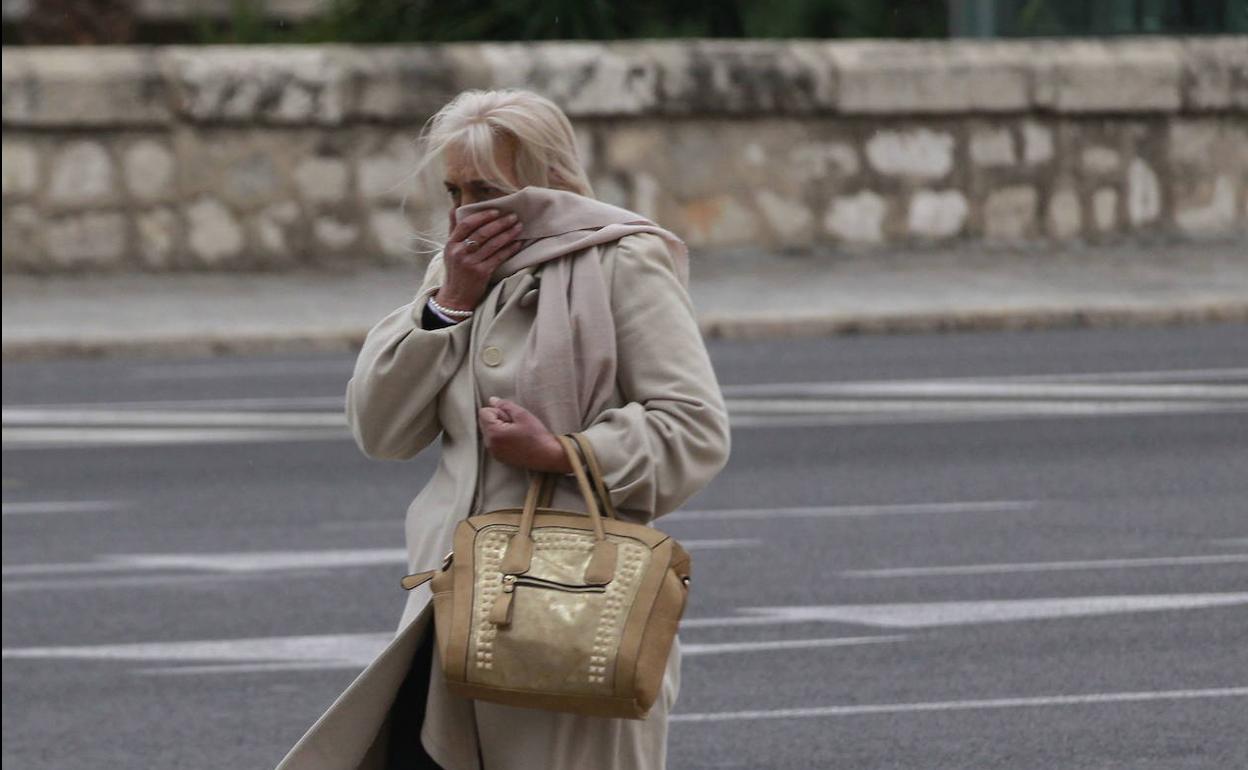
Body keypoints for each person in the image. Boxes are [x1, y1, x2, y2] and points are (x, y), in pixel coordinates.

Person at [275, 88, 731, 770]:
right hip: (453, 608)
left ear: (546, 178)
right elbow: (381, 431)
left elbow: (695, 427)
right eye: (453, 191)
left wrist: (562, 451)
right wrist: (450, 305)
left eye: (485, 190)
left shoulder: (623, 259)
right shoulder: (458, 271)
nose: (465, 214)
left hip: (573, 613)